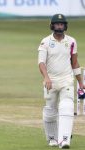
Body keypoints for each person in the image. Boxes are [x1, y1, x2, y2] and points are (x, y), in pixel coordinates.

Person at [38, 14, 84, 149]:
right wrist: (46, 77)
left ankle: (64, 140)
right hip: (50, 81)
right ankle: (52, 138)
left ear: (65, 26)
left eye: (62, 24)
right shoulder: (45, 42)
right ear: (52, 25)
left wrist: (80, 82)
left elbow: (75, 63)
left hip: (66, 80)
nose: (59, 26)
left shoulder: (71, 42)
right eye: (57, 24)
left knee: (67, 107)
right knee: (50, 111)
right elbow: (41, 63)